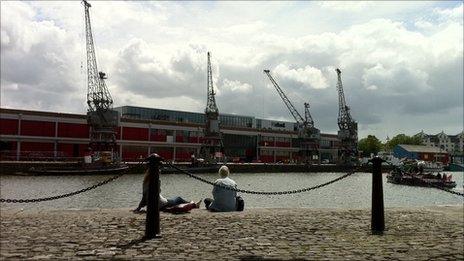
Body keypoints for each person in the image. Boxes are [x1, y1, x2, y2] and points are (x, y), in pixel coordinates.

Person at [133, 170, 200, 213]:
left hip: (154, 206)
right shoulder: (157, 181)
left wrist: (138, 208)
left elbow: (144, 198)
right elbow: (158, 191)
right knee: (178, 198)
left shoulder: (145, 183)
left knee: (176, 200)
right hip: (162, 204)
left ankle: (192, 204)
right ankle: (193, 204)